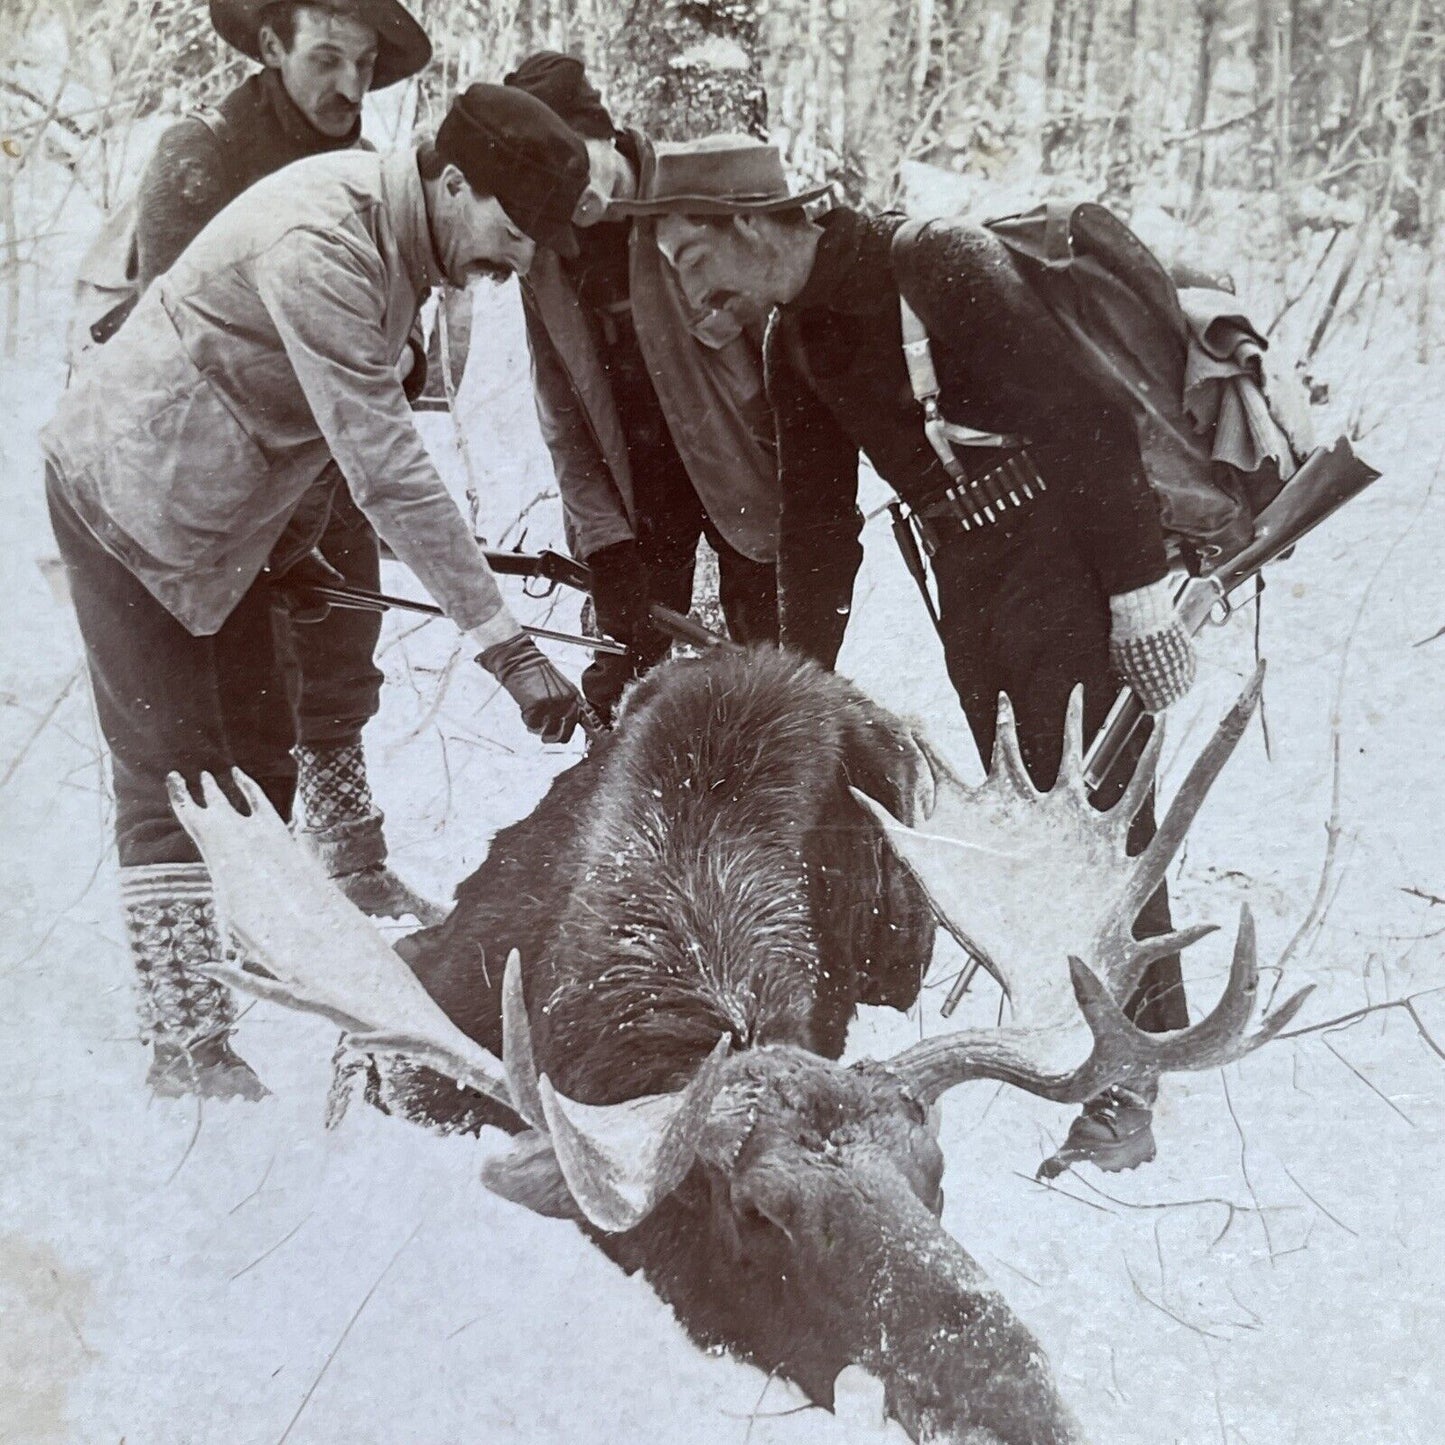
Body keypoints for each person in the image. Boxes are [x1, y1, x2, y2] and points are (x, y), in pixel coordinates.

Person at [636, 140, 1197, 1167]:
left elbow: (1088, 422)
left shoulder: (934, 263)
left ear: (751, 223)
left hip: (1070, 555)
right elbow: (815, 526)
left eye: (688, 257)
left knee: (1098, 810)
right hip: (972, 583)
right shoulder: (792, 338)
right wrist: (789, 685)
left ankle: (1132, 1080)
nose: (689, 289)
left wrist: (1136, 593)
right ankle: (1088, 1035)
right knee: (1031, 804)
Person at [42, 84, 591, 1099]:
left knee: (258, 754)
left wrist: (292, 539)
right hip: (125, 497)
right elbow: (384, 463)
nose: (517, 263)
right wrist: (504, 643)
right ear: (453, 180)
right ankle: (188, 1049)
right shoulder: (323, 239)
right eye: (512, 232)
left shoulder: (404, 241)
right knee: (179, 776)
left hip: (223, 518)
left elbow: (295, 408)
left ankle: (250, 976)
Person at [129, 0, 446, 924]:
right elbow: (179, 338)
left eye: (365, 63)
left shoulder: (366, 171)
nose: (349, 85)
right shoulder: (200, 154)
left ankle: (352, 860)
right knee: (238, 691)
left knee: (344, 646)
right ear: (270, 46)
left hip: (329, 459)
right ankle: (238, 903)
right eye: (326, 57)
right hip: (213, 474)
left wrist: (394, 358)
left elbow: (406, 327)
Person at [502, 55, 782, 723]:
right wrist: (602, 541)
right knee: (619, 691)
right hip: (641, 496)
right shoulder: (541, 257)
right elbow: (561, 411)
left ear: (603, 130)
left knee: (780, 680)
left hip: (750, 476)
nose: (568, 195)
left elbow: (787, 349)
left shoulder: (707, 187)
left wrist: (802, 488)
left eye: (576, 164)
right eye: (545, 182)